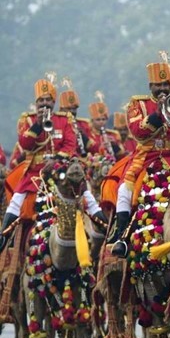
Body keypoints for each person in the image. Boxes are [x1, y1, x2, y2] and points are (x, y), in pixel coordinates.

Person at [0, 76, 105, 250]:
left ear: (53, 102)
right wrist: (38, 124)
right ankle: (3, 237)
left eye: (48, 100)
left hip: (60, 170)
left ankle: (107, 230)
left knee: (87, 196)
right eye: (41, 100)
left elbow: (70, 145)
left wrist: (56, 160)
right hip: (35, 172)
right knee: (16, 201)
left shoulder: (64, 119)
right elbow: (25, 144)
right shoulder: (27, 120)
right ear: (36, 102)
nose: (44, 103)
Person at [110, 59, 170, 256]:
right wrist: (157, 114)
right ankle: (121, 237)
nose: (163, 89)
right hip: (146, 158)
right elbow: (137, 131)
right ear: (151, 87)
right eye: (158, 85)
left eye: (166, 84)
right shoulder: (137, 104)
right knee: (124, 191)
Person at [58, 77, 91, 156]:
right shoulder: (56, 122)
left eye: (74, 109)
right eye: (69, 109)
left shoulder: (83, 124)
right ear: (61, 109)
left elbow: (92, 148)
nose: (72, 112)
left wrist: (82, 135)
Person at [85, 94, 122, 160]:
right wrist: (101, 147)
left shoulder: (112, 134)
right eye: (98, 120)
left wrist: (114, 145)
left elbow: (121, 154)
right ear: (92, 121)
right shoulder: (87, 133)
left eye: (103, 119)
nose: (101, 122)